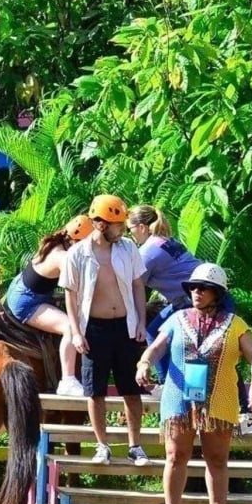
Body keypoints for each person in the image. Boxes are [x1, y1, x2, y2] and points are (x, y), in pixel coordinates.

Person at [137, 264, 252, 504]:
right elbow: (157, 346)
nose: (196, 292)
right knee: (175, 456)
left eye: (203, 288)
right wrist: (145, 363)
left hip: (219, 399)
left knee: (217, 459)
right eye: (193, 287)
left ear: (217, 293)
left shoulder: (235, 324)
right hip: (178, 397)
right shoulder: (177, 318)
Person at [61, 194, 151, 465]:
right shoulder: (77, 253)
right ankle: (102, 445)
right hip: (94, 328)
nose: (122, 229)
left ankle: (135, 445)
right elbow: (70, 294)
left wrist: (141, 323)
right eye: (117, 224)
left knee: (130, 389)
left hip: (125, 325)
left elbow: (137, 285)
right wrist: (76, 332)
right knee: (95, 390)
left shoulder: (127, 249)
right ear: (101, 224)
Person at [3, 215, 93, 397]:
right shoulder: (64, 257)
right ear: (76, 241)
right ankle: (67, 380)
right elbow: (82, 288)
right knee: (70, 327)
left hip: (24, 290)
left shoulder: (55, 244)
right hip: (28, 301)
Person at [128, 204, 202, 338]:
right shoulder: (165, 240)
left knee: (151, 334)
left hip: (192, 302)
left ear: (141, 227)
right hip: (197, 297)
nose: (129, 233)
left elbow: (132, 287)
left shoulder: (147, 253)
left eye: (129, 229)